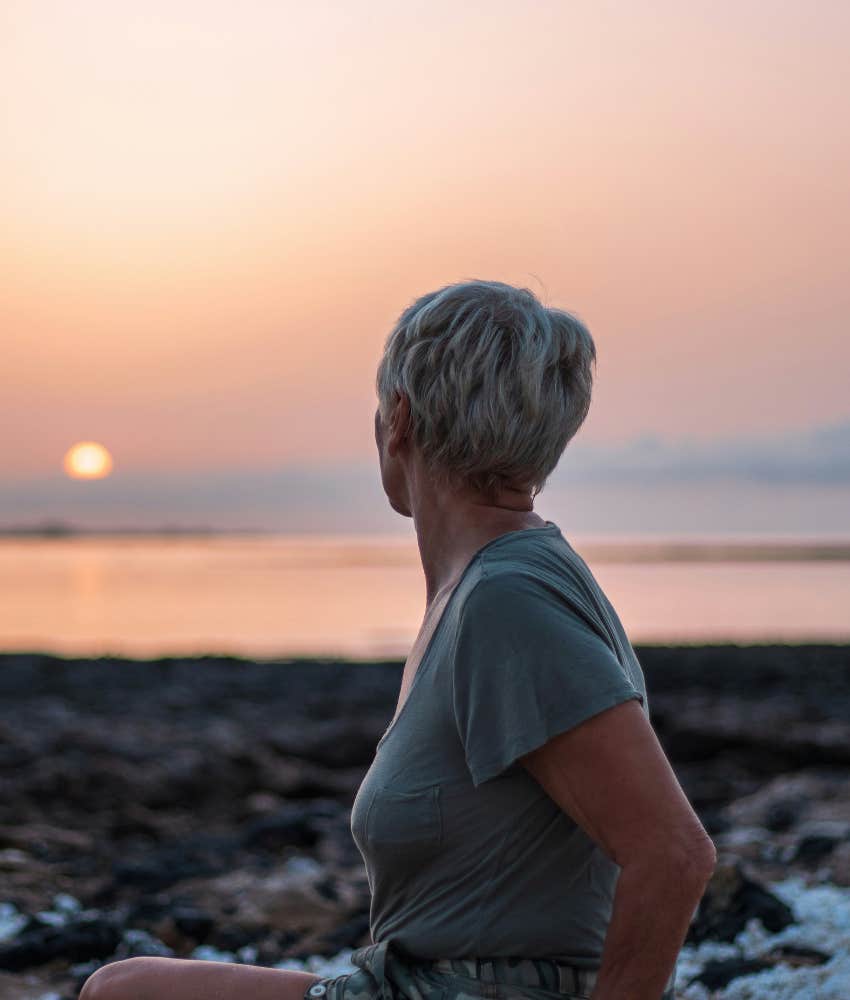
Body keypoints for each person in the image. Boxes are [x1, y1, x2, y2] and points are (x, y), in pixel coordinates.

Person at [79, 280, 716, 1000]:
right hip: (413, 983)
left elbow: (673, 852)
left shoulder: (508, 602)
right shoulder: (493, 583)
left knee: (124, 994)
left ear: (400, 419)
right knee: (128, 983)